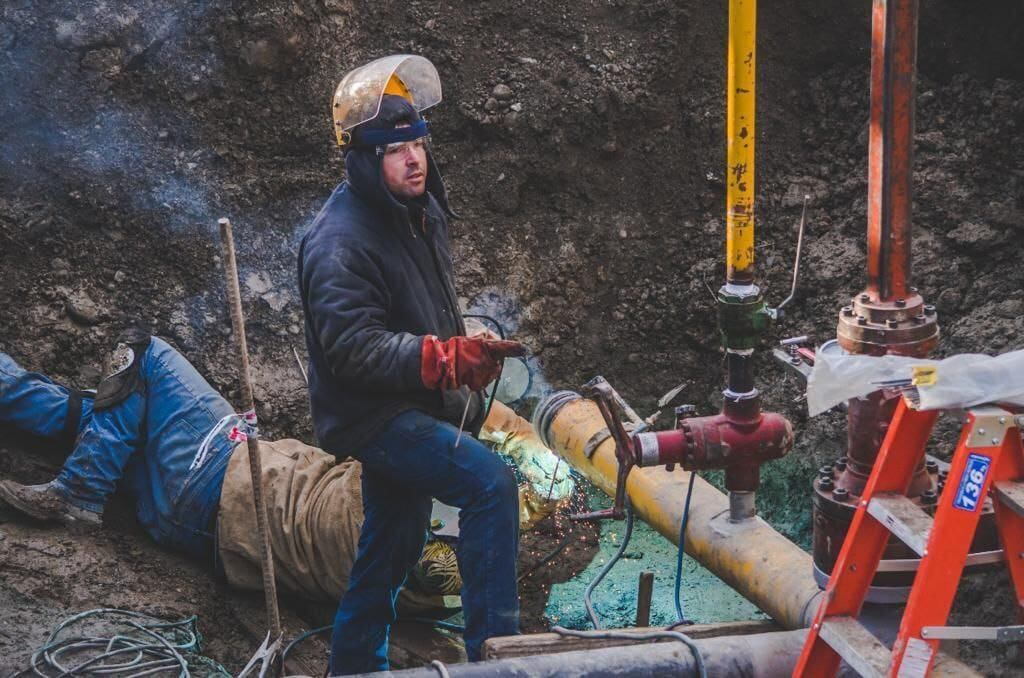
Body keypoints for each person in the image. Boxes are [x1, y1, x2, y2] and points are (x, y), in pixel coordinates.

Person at [0, 336, 573, 616]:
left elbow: (396, 398)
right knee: (106, 413)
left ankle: (77, 493)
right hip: (197, 528)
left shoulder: (394, 479)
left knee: (143, 357)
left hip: (222, 469)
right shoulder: (416, 586)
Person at [299, 55, 526, 673]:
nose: (415, 158)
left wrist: (458, 339)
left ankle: (352, 664)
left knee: (392, 541)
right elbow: (353, 349)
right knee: (489, 486)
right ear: (365, 159)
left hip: (412, 402)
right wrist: (444, 357)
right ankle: (493, 661)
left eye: (418, 143)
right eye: (396, 150)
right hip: (375, 415)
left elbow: (418, 308)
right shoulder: (339, 241)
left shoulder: (416, 211)